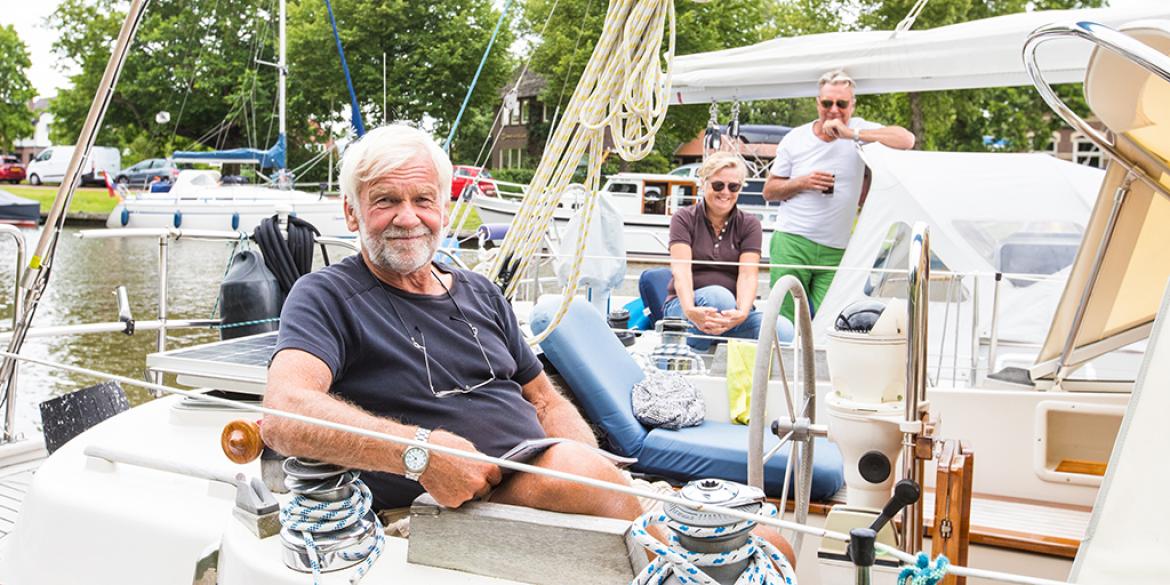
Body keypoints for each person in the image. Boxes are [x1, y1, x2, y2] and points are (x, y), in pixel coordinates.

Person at [260, 124, 644, 522]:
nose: (408, 218)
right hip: (436, 514)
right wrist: (420, 454)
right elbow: (285, 414)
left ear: (444, 208)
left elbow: (544, 400)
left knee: (595, 477)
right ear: (351, 213)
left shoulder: (482, 292)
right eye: (385, 200)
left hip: (543, 483)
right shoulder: (325, 296)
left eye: (423, 200)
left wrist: (593, 462)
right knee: (589, 482)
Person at [763, 70, 914, 322]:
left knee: (830, 320)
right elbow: (769, 191)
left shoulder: (859, 131)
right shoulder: (796, 138)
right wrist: (803, 182)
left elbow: (906, 139)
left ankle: (817, 363)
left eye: (842, 103)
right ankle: (781, 362)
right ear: (817, 103)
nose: (834, 110)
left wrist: (852, 135)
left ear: (852, 105)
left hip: (837, 247)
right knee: (785, 318)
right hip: (793, 240)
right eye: (827, 103)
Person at [664, 152, 794, 350]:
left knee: (783, 330)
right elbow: (681, 270)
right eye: (718, 185)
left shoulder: (750, 224)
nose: (725, 192)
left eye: (733, 186)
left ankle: (717, 338)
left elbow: (748, 276)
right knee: (719, 297)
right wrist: (690, 310)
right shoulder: (683, 218)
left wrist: (741, 313)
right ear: (703, 183)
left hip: (732, 314)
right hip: (686, 309)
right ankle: (700, 344)